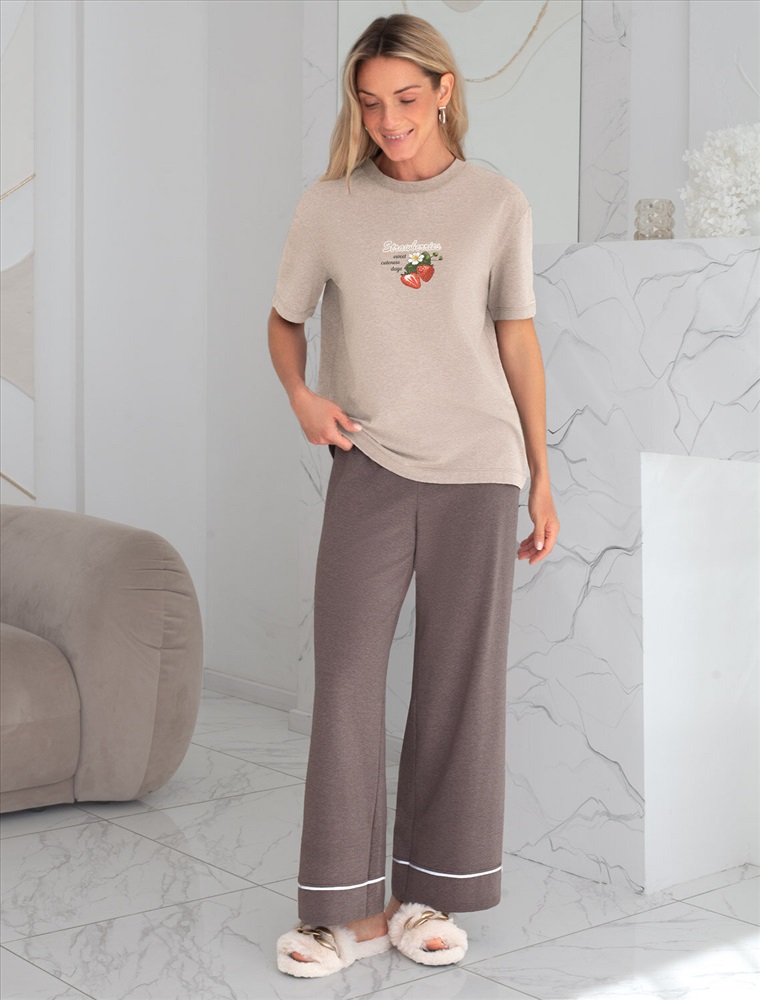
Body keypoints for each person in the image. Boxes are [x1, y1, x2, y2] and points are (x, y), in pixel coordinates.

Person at [267, 12, 559, 980]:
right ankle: (342, 911)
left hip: (479, 462)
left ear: (442, 91)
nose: (388, 120)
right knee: (347, 675)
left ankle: (428, 892)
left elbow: (516, 336)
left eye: (404, 98)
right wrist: (302, 397)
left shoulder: (496, 202)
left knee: (458, 680)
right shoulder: (329, 206)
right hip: (371, 458)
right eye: (369, 103)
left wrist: (541, 473)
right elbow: (283, 320)